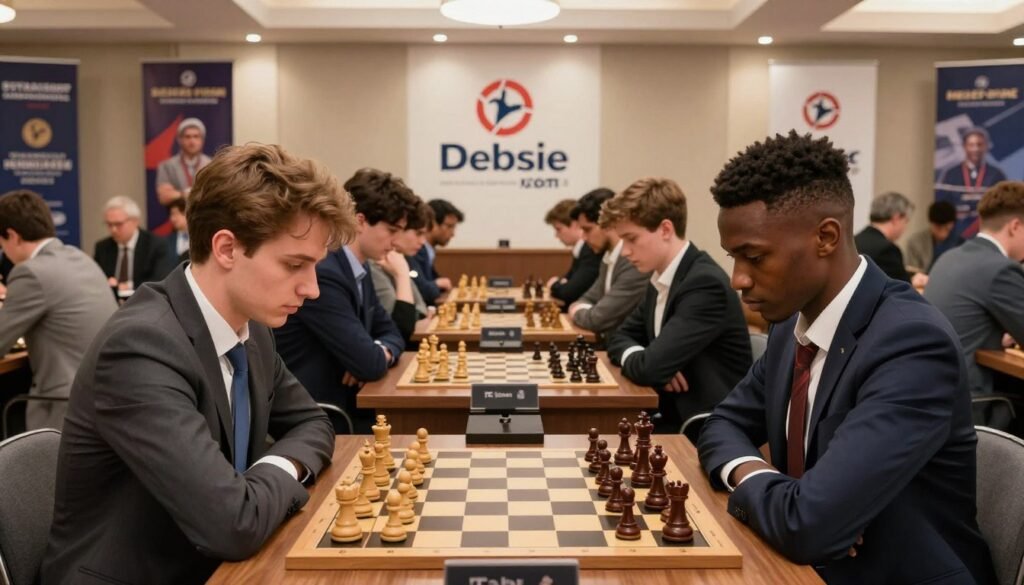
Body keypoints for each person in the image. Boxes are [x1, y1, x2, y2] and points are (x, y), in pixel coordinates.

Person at [698, 131, 996, 585]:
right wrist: (759, 474)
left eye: (754, 257)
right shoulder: (789, 327)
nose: (738, 279)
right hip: (803, 565)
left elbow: (809, 526)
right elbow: (720, 425)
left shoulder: (912, 343)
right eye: (733, 258)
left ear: (826, 237)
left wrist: (800, 508)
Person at [42, 143, 349, 585]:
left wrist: (269, 472)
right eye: (295, 264)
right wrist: (273, 479)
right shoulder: (141, 347)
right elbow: (231, 524)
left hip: (220, 563)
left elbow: (315, 424)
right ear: (226, 248)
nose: (312, 288)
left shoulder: (252, 328)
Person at [604, 177, 751, 433]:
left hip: (703, 428)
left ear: (665, 229)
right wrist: (647, 358)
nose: (625, 252)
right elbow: (619, 337)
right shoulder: (661, 277)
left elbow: (650, 369)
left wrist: (654, 363)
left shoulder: (704, 284)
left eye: (631, 239)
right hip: (668, 413)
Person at [274, 167, 413, 433]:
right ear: (360, 221)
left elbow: (392, 332)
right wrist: (369, 356)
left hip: (348, 402)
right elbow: (369, 364)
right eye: (391, 230)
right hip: (319, 417)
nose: (396, 242)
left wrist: (377, 350)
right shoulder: (327, 274)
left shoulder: (359, 269)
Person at [0, 189, 116, 430]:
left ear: (12, 236)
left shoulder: (30, 272)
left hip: (63, 407)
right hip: (108, 396)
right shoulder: (79, 257)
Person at [926, 181, 1024, 426]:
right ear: (1015, 226)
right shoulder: (1001, 269)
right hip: (969, 404)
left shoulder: (950, 257)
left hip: (932, 396)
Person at [567, 188, 649, 343]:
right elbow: (587, 298)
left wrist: (576, 310)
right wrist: (582, 308)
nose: (583, 238)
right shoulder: (608, 256)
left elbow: (597, 319)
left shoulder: (633, 263)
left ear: (607, 224)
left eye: (587, 229)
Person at [369, 200, 431, 341]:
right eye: (418, 233)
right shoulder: (374, 264)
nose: (422, 242)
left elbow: (421, 309)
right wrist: (402, 274)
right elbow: (402, 325)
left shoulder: (398, 260)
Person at [937, 127, 1009, 240]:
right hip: (955, 233)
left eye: (980, 144)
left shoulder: (996, 174)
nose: (975, 149)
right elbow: (943, 205)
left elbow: (1004, 206)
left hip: (988, 232)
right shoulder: (950, 173)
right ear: (964, 146)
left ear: (987, 146)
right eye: (971, 145)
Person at [94, 195, 171, 291]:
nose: (113, 230)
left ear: (135, 221)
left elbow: (159, 280)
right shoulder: (102, 247)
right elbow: (95, 280)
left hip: (144, 300)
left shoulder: (155, 245)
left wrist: (128, 287)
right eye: (109, 224)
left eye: (118, 224)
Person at [853, 191, 927, 288]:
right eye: (906, 221)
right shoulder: (887, 250)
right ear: (896, 218)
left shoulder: (854, 240)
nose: (906, 226)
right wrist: (912, 282)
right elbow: (900, 289)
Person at [545, 197, 602, 308]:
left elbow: (568, 293)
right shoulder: (580, 250)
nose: (556, 236)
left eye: (558, 229)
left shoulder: (590, 251)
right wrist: (561, 284)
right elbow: (566, 283)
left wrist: (554, 285)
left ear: (575, 224)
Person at [410, 198, 462, 305]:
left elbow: (435, 282)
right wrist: (437, 284)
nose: (453, 234)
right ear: (432, 223)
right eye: (449, 226)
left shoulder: (428, 251)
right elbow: (424, 291)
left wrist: (437, 283)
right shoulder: (416, 251)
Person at [156, 117, 212, 206]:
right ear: (180, 140)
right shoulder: (167, 166)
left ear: (202, 140)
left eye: (196, 136)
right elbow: (164, 197)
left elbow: (215, 195)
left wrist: (177, 194)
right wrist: (185, 194)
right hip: (177, 216)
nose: (192, 141)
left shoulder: (212, 165)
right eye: (187, 137)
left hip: (205, 217)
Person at [903, 200, 961, 274]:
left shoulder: (960, 244)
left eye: (946, 228)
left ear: (952, 224)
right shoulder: (915, 242)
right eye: (938, 228)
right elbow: (912, 271)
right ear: (931, 223)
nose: (942, 234)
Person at [165, 196, 190, 268]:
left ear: (186, 213)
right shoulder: (166, 241)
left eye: (175, 214)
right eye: (171, 214)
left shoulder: (200, 238)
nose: (172, 219)